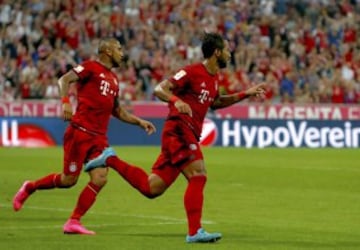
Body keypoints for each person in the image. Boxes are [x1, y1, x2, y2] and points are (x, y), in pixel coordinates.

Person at [83, 32, 266, 243]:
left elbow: (215, 103)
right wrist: (176, 100)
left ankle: (109, 159)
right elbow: (160, 88)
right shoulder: (191, 72)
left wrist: (245, 94)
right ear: (217, 52)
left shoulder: (214, 79)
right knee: (198, 174)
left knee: (152, 188)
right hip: (179, 130)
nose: (229, 54)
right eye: (225, 49)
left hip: (186, 133)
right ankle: (194, 231)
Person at [12, 37, 156, 235]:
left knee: (100, 178)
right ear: (107, 51)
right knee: (68, 180)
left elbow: (118, 111)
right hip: (80, 133)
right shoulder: (90, 67)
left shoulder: (114, 80)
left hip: (99, 139)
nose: (122, 53)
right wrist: (65, 102)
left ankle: (73, 221)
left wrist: (139, 122)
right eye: (119, 49)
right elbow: (64, 79)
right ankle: (30, 187)